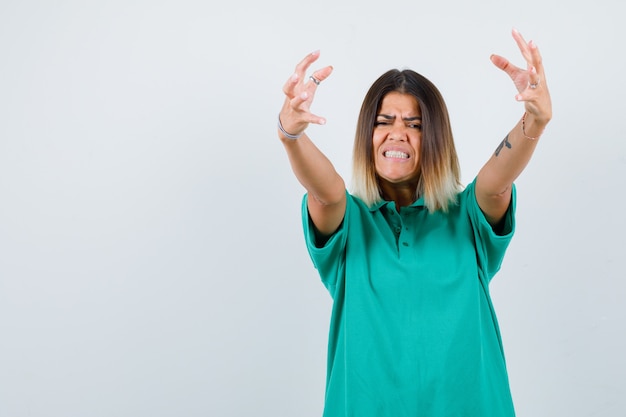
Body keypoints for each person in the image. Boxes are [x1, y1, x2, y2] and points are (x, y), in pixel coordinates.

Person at [276, 29, 552, 417]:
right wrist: (291, 135)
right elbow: (326, 192)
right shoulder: (349, 223)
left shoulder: (467, 216)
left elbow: (497, 181)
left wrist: (534, 121)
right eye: (384, 121)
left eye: (416, 124)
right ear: (367, 135)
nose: (398, 133)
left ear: (435, 137)